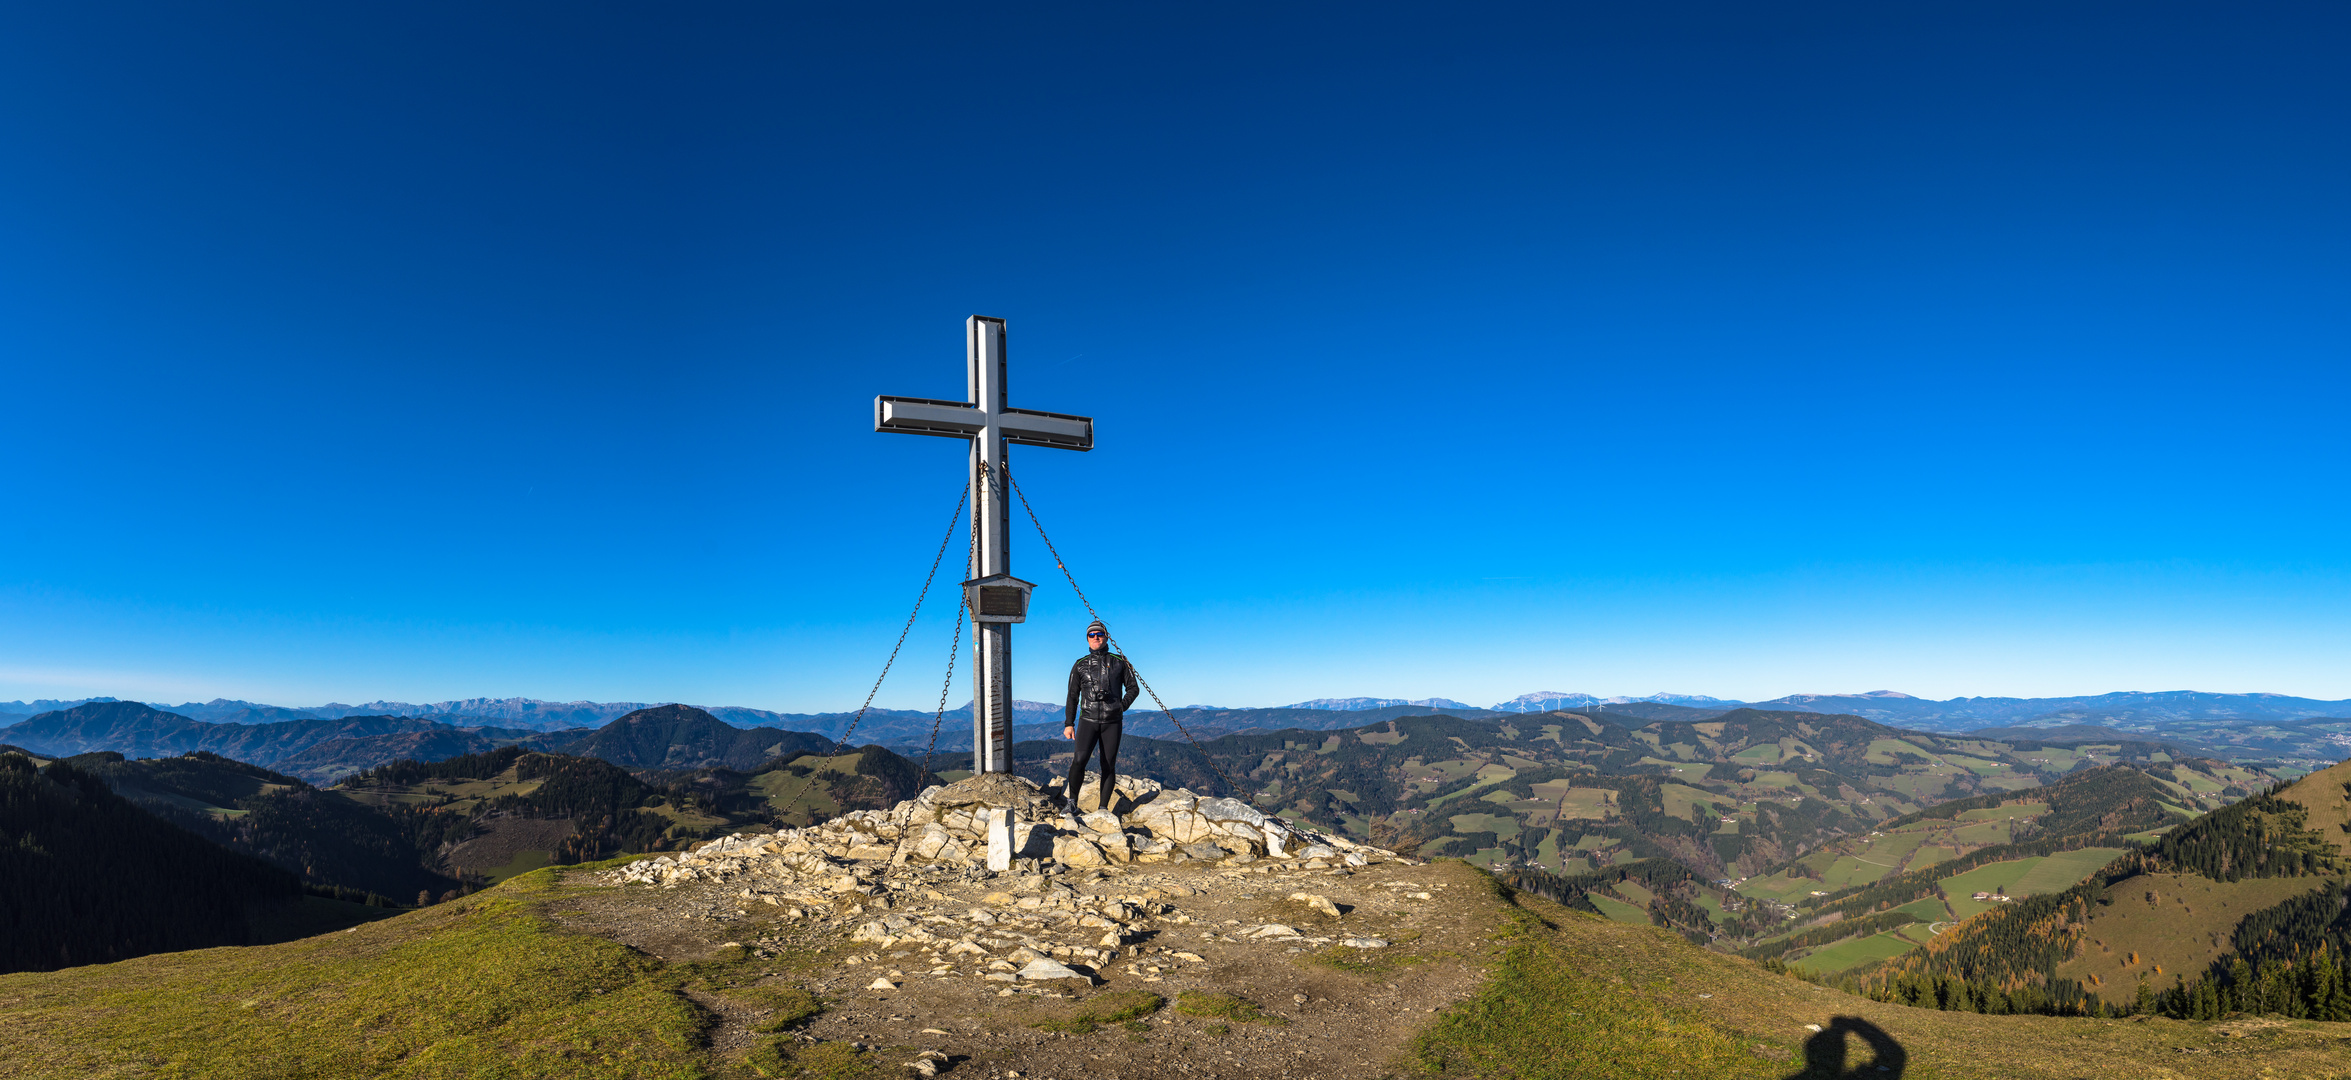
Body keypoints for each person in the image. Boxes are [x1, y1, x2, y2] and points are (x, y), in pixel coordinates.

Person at [1063, 618, 1139, 815]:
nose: (1096, 637)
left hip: (1112, 722)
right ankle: (1072, 803)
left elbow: (1133, 688)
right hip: (1087, 720)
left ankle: (1103, 808)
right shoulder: (1079, 665)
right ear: (1087, 639)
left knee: (1108, 764)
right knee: (1079, 760)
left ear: (1106, 637)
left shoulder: (1119, 662)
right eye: (1092, 634)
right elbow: (1072, 696)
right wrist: (1069, 723)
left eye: (1100, 634)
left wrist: (1120, 707)